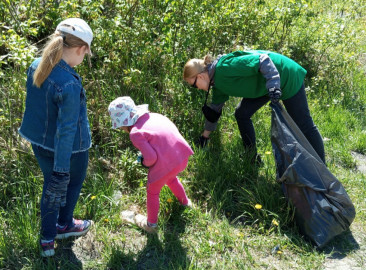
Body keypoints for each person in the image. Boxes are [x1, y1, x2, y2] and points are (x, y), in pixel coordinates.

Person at [18, 18, 94, 257]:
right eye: (86, 54)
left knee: (50, 186)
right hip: (70, 151)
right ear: (81, 49)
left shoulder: (35, 65)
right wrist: (62, 168)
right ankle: (63, 225)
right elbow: (67, 130)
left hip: (39, 143)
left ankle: (47, 239)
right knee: (66, 183)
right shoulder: (68, 83)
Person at [183, 50, 326, 165]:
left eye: (194, 85)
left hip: (284, 74)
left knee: (304, 124)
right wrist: (204, 137)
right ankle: (252, 158)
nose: (197, 88)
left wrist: (273, 86)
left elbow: (262, 60)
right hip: (267, 84)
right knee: (242, 113)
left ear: (200, 76)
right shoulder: (216, 82)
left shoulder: (224, 68)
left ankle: (323, 170)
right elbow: (214, 111)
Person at [108, 96, 194, 233]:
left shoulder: (135, 133)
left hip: (165, 166)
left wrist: (144, 162)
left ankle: (151, 225)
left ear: (123, 123)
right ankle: (186, 203)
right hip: (181, 156)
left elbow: (152, 158)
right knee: (171, 178)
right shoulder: (154, 116)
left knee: (152, 191)